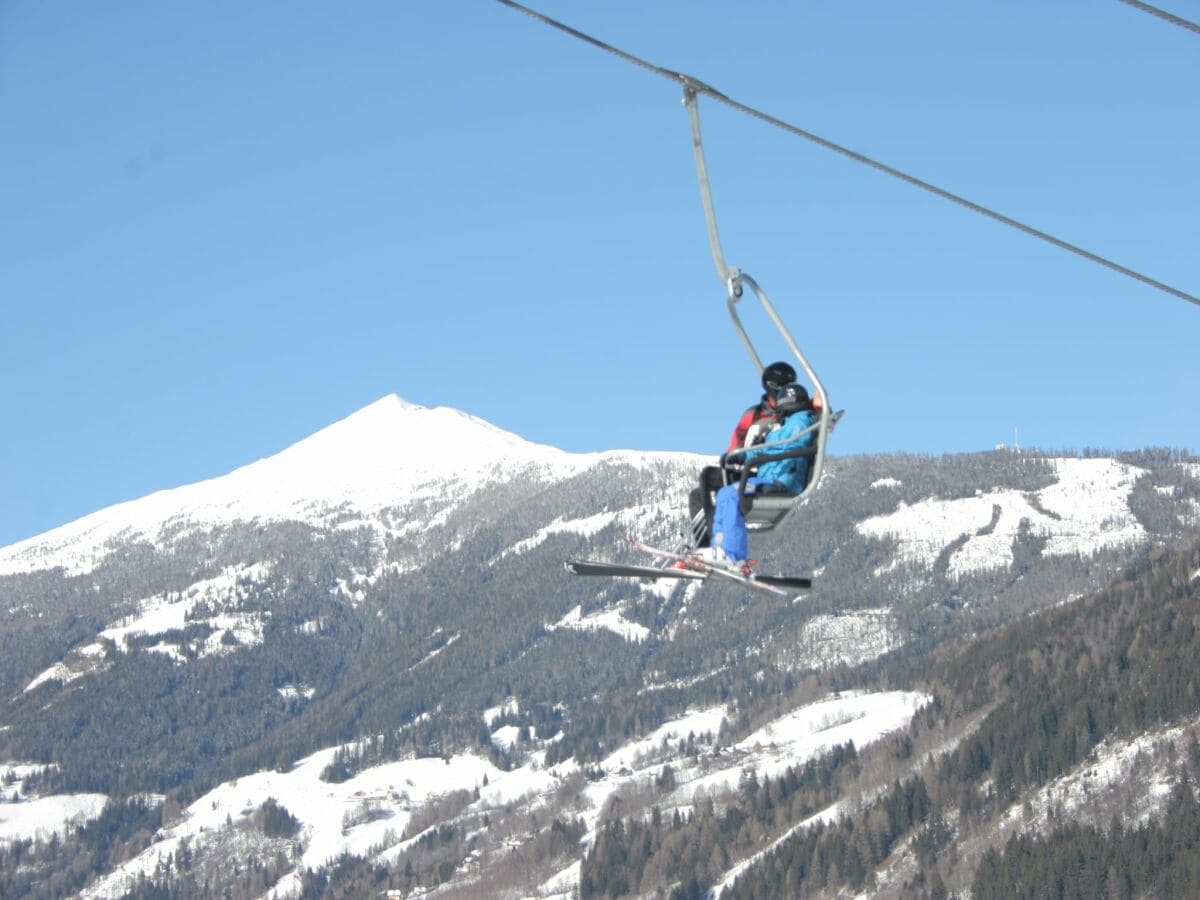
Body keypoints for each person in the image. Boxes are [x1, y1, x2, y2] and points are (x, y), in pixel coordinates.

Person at [689, 361, 800, 549]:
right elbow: (735, 445)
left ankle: (712, 548)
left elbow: (811, 414)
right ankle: (706, 545)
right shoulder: (754, 415)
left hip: (769, 473)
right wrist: (736, 455)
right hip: (749, 470)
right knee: (699, 494)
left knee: (709, 478)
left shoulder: (795, 414)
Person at [710, 382, 817, 566]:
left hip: (781, 481)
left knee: (730, 496)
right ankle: (718, 548)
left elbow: (792, 445)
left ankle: (733, 555)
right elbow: (767, 447)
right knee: (724, 494)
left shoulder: (800, 421)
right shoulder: (785, 426)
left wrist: (755, 454)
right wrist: (743, 456)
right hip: (770, 477)